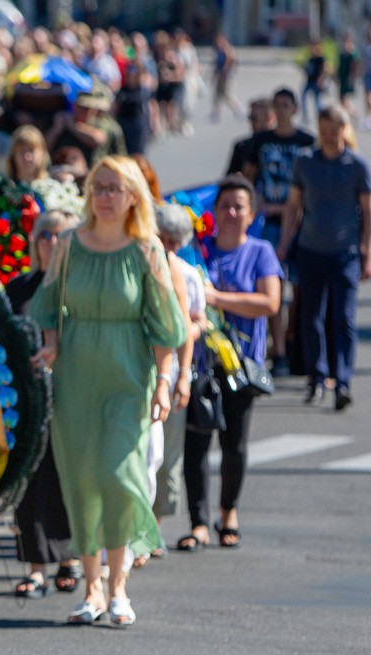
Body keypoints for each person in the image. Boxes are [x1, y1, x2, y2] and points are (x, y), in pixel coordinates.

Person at [29, 156, 186, 627]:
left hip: (128, 376)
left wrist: (163, 383)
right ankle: (92, 587)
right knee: (81, 482)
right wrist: (52, 346)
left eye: (114, 188)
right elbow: (51, 305)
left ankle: (119, 586)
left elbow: (165, 325)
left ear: (133, 195)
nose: (104, 195)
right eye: (98, 186)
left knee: (119, 477)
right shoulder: (70, 245)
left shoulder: (146, 250)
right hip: (77, 375)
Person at [182, 175, 282, 550]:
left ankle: (228, 512)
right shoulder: (199, 250)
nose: (230, 212)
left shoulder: (260, 251)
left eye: (239, 206)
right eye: (224, 205)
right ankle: (197, 523)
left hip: (241, 365)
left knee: (234, 443)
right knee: (197, 441)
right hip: (200, 361)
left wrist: (217, 298)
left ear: (251, 213)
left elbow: (269, 303)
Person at [5, 210, 83, 598]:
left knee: (66, 476)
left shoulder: (81, 286)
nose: (52, 242)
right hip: (27, 397)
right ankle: (35, 567)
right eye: (45, 235)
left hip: (73, 393)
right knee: (29, 481)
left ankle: (69, 558)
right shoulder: (19, 287)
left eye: (61, 235)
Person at [279, 105, 371, 411]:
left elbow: (368, 211)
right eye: (325, 130)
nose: (330, 136)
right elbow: (293, 205)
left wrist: (367, 250)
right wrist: (284, 242)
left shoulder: (357, 165)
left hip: (345, 252)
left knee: (343, 317)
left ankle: (342, 380)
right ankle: (317, 378)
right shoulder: (305, 161)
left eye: (335, 130)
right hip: (310, 248)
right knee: (311, 316)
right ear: (319, 130)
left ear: (344, 130)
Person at [243, 88, 314, 378]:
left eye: (287, 104)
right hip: (268, 222)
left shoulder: (306, 142)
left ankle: (292, 340)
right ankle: (280, 351)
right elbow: (246, 177)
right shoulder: (261, 141)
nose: (282, 109)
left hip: (300, 222)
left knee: (298, 289)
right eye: (278, 105)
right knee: (272, 286)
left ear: (295, 108)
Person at [152, 203, 206, 557]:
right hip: (142, 371)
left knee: (166, 456)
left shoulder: (187, 274)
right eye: (162, 237)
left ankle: (153, 526)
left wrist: (183, 375)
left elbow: (195, 323)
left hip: (171, 375)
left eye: (174, 240)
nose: (167, 246)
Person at [225, 98, 274, 177]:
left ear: (269, 118)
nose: (251, 122)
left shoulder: (279, 146)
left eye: (255, 118)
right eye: (250, 117)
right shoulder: (242, 146)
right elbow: (228, 178)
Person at [211, 32, 243, 123]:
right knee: (217, 94)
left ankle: (237, 109)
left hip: (225, 76)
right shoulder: (219, 50)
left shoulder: (228, 50)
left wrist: (224, 72)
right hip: (219, 75)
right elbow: (216, 64)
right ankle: (216, 112)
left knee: (226, 94)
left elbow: (230, 62)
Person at [301, 39, 329, 125]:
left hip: (316, 82)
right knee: (303, 97)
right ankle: (305, 117)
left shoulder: (321, 59)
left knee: (317, 102)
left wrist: (321, 79)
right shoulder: (311, 58)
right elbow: (308, 70)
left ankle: (320, 117)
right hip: (309, 81)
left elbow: (326, 70)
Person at [337, 33, 360, 115]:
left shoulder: (352, 53)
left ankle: (354, 113)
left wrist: (352, 77)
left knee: (345, 98)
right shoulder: (343, 53)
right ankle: (349, 113)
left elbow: (355, 65)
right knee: (341, 99)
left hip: (347, 78)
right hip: (342, 77)